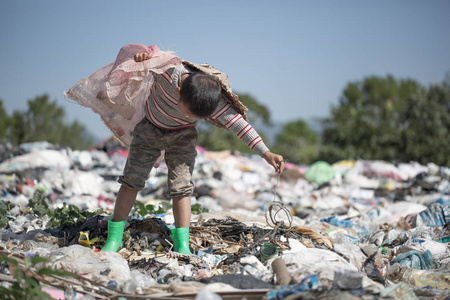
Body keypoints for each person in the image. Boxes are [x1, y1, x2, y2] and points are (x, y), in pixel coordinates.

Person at [67, 44, 285, 254]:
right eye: (188, 112)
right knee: (131, 181)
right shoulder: (167, 72)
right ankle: (114, 238)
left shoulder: (211, 101)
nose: (190, 116)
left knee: (181, 189)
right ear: (179, 91)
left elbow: (239, 124)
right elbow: (141, 56)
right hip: (149, 130)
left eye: (196, 116)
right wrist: (141, 57)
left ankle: (182, 244)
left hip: (182, 138)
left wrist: (266, 153)